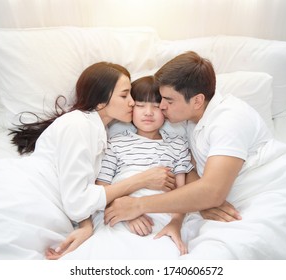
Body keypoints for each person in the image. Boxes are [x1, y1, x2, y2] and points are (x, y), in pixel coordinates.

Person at [104, 52, 286, 259]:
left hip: (277, 190)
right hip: (229, 199)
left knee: (230, 254)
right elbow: (194, 175)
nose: (161, 107)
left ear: (198, 100)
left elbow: (212, 191)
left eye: (168, 100)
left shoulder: (229, 120)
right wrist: (200, 203)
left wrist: (137, 205)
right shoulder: (186, 119)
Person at [0, 62, 175, 260]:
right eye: (125, 95)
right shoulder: (79, 125)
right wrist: (140, 180)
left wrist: (86, 226)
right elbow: (77, 201)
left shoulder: (96, 131)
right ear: (102, 100)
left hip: (42, 195)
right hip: (22, 194)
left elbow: (76, 186)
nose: (133, 103)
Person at [59, 76, 194, 259]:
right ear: (131, 108)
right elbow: (102, 188)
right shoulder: (115, 143)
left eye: (156, 106)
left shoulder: (177, 145)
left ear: (165, 109)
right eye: (140, 105)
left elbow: (183, 193)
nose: (148, 112)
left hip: (160, 215)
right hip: (119, 213)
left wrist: (176, 222)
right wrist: (128, 214)